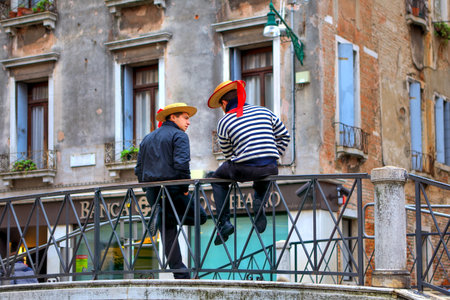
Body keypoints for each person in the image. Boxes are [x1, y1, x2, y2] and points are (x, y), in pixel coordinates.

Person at [207, 80, 290, 245]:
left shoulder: (225, 121)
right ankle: (260, 202)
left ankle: (224, 223)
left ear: (224, 103)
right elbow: (284, 135)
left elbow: (228, 154)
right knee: (265, 173)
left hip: (243, 169)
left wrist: (244, 155)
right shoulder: (265, 111)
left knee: (216, 179)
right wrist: (274, 154)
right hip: (270, 167)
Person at [135, 102, 206, 279]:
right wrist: (184, 189)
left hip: (154, 193)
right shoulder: (179, 136)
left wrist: (147, 190)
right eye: (185, 118)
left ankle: (179, 272)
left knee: (168, 229)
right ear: (173, 117)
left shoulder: (147, 138)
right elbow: (182, 165)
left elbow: (138, 169)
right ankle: (162, 217)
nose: (188, 122)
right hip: (173, 190)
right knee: (201, 217)